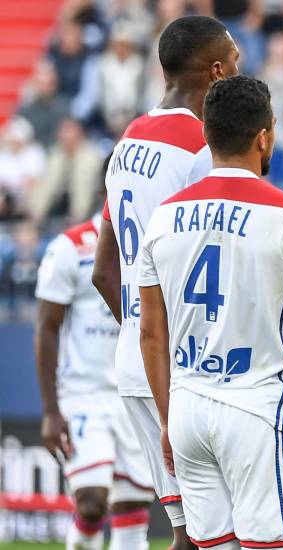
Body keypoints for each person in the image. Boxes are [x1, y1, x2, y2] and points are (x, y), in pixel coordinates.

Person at [137, 75, 283, 549]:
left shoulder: (164, 216)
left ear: (207, 136)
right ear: (264, 136)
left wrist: (169, 420)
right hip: (259, 411)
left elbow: (151, 332)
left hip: (188, 410)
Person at [91, 16, 240, 550]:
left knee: (189, 534)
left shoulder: (130, 138)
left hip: (135, 362)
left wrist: (140, 329)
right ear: (218, 71)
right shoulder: (203, 146)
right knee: (223, 536)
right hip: (188, 369)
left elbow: (102, 272)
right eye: (236, 65)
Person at [34, 208, 154, 550]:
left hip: (135, 389)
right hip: (83, 393)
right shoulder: (71, 247)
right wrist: (51, 411)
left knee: (133, 506)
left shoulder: (152, 237)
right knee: (91, 502)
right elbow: (46, 327)